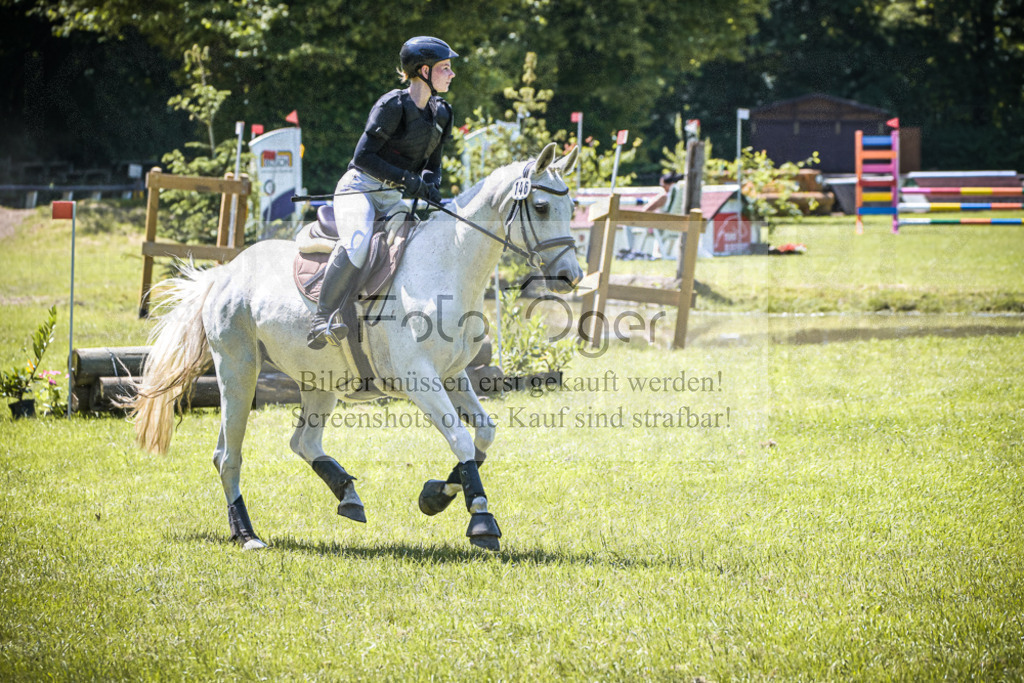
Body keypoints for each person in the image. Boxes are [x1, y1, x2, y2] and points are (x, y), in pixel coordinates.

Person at [306, 36, 458, 350]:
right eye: (445, 68)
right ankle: (321, 318)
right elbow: (363, 158)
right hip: (359, 187)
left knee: (418, 243)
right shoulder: (392, 106)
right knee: (359, 242)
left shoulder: (442, 113)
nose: (452, 74)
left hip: (391, 197)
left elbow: (432, 163)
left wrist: (430, 187)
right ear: (424, 71)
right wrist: (408, 180)